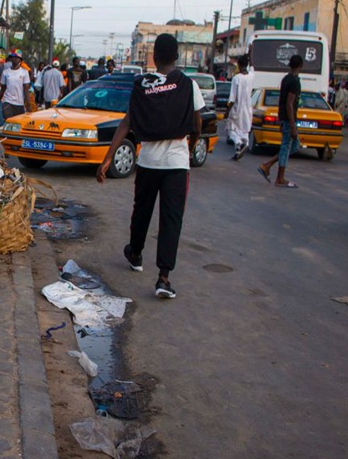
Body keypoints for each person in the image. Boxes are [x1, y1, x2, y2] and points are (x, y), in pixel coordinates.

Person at [97, 34, 204, 299]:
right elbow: (198, 122)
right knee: (171, 219)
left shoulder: (142, 87)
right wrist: (190, 147)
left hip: (148, 163)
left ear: (154, 57)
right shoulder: (189, 85)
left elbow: (126, 123)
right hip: (177, 166)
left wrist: (108, 157)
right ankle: (164, 278)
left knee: (141, 212)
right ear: (177, 56)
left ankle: (135, 253)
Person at [257, 55, 303, 188]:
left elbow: (282, 101)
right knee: (287, 146)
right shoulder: (294, 81)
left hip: (284, 118)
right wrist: (292, 124)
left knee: (292, 146)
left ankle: (267, 165)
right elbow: (289, 104)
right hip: (289, 119)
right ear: (301, 66)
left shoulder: (286, 79)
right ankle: (279, 178)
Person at [226, 54, 254, 160]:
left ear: (238, 64)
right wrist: (251, 52)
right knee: (244, 130)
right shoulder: (251, 76)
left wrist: (227, 112)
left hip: (237, 109)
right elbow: (253, 65)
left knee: (231, 129)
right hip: (248, 109)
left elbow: (232, 98)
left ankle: (238, 142)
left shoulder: (236, 78)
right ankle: (240, 147)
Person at [0, 50, 31, 121]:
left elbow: (26, 90)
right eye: (13, 57)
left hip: (19, 103)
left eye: (17, 58)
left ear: (20, 60)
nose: (15, 59)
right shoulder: (6, 72)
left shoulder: (24, 72)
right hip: (7, 102)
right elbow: (2, 89)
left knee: (17, 124)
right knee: (9, 121)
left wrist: (28, 104)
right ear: (11, 58)